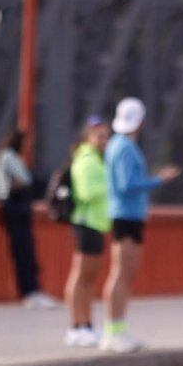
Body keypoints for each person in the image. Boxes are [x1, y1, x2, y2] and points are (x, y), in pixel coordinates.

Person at [101, 97, 180, 353]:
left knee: (124, 273)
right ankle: (114, 329)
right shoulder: (124, 146)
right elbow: (126, 185)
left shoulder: (118, 144)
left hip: (127, 215)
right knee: (121, 273)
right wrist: (158, 181)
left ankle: (116, 328)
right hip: (126, 215)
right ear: (141, 121)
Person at [0, 130, 58, 309]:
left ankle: (32, 290)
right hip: (15, 206)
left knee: (25, 249)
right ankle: (30, 291)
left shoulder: (4, 156)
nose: (28, 147)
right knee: (24, 250)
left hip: (14, 206)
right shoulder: (9, 156)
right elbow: (24, 179)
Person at [64, 117, 111, 347]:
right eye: (100, 136)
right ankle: (76, 326)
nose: (104, 141)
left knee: (89, 279)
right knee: (81, 276)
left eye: (106, 136)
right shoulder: (86, 159)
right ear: (88, 136)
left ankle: (87, 324)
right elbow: (86, 192)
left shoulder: (96, 159)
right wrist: (112, 187)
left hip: (97, 223)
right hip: (86, 222)